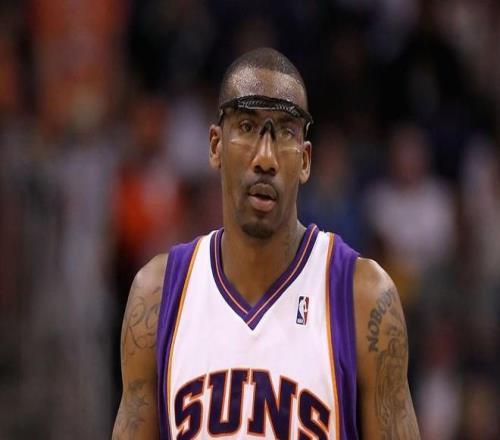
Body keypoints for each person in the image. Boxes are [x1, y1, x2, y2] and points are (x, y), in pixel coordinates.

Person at [112, 47, 420, 440]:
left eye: (286, 132)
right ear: (215, 145)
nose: (265, 158)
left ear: (305, 160)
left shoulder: (363, 296)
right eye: (246, 126)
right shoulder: (157, 295)